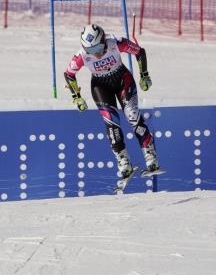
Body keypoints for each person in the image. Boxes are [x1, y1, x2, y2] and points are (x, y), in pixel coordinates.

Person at [64, 23, 158, 178]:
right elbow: (69, 74)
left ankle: (149, 154)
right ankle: (123, 161)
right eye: (90, 51)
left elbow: (139, 52)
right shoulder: (81, 55)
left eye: (98, 49)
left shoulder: (115, 42)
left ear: (104, 41)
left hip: (122, 79)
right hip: (100, 87)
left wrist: (144, 75)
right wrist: (76, 97)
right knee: (112, 123)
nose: (96, 54)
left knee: (133, 116)